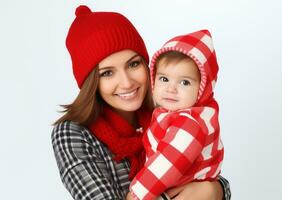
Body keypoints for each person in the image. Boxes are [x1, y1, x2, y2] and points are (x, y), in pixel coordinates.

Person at [51, 5, 231, 200]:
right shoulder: (73, 133)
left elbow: (203, 170)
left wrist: (216, 190)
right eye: (107, 73)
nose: (127, 83)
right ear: (91, 82)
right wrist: (206, 192)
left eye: (133, 64)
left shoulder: (166, 113)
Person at [128, 30, 224, 200]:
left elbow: (169, 161)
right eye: (164, 79)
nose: (171, 89)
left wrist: (138, 194)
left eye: (184, 82)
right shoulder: (170, 113)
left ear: (203, 88)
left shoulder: (189, 123)